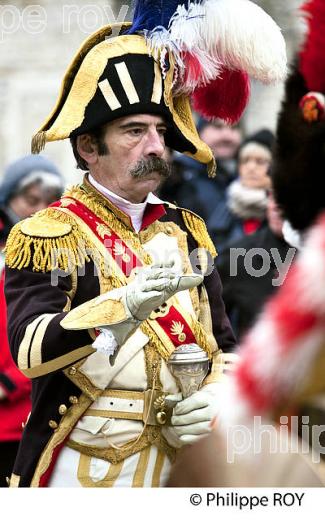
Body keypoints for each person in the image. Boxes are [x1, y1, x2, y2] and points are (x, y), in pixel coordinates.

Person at [4, 0, 286, 487]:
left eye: (159, 131)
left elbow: (222, 344)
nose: (156, 146)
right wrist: (121, 306)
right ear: (88, 147)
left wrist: (218, 395)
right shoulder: (47, 232)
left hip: (177, 464)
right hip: (84, 466)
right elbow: (29, 350)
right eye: (135, 131)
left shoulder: (186, 229)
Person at [0, 155, 64, 487]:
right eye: (30, 200)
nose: (38, 210)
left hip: (23, 414)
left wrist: (9, 382)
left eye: (47, 202)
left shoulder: (60, 259)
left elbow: (54, 333)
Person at [217, 189, 296, 340]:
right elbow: (211, 319)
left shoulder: (317, 255)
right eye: (273, 197)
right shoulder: (238, 255)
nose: (277, 206)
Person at [208, 129, 274, 253]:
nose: (251, 167)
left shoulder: (280, 213)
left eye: (260, 162)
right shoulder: (223, 208)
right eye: (245, 161)